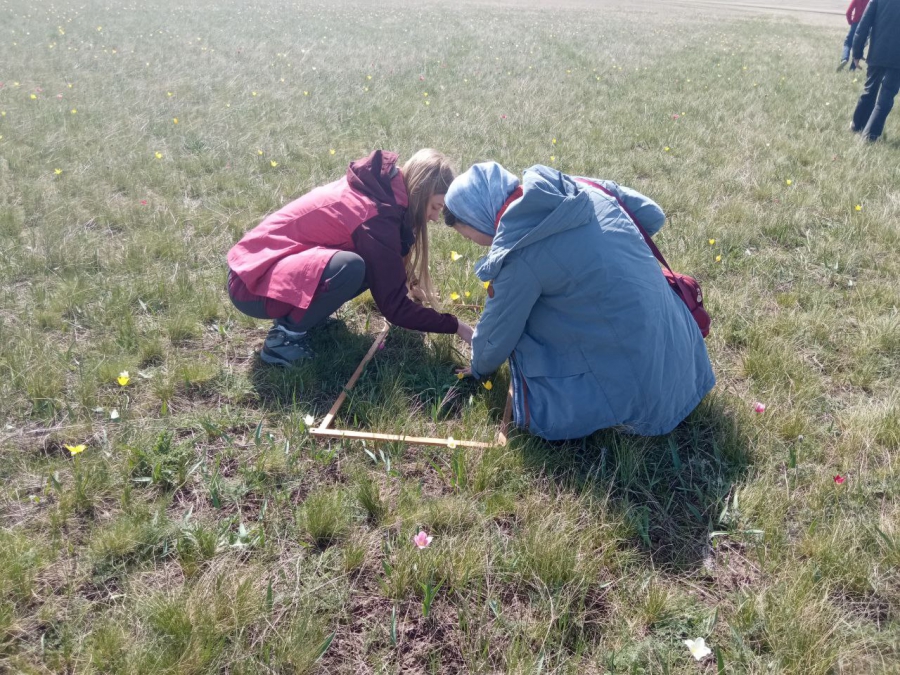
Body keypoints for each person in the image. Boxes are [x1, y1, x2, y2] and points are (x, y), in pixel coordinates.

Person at [443, 162, 715, 441]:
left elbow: (496, 334)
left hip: (649, 392)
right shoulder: (579, 187)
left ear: (478, 218)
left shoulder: (518, 253)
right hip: (683, 358)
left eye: (466, 233)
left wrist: (479, 367)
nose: (472, 241)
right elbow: (652, 215)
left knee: (530, 329)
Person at [227, 149, 473, 365]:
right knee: (351, 268)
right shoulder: (375, 215)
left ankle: (307, 318)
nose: (434, 218)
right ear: (419, 192)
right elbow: (395, 308)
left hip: (266, 269)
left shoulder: (383, 191)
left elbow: (388, 266)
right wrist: (457, 327)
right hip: (251, 284)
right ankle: (284, 337)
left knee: (366, 266)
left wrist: (409, 284)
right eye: (435, 207)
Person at [850, 0, 900, 141]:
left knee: (869, 90)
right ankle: (869, 135)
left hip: (877, 53)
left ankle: (857, 125)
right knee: (886, 96)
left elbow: (864, 24)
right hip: (897, 58)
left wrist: (857, 52)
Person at [839, 0, 870, 71]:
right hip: (865, 25)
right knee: (859, 45)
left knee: (848, 42)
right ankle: (853, 68)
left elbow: (848, 12)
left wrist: (850, 22)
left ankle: (845, 58)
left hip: (855, 23)